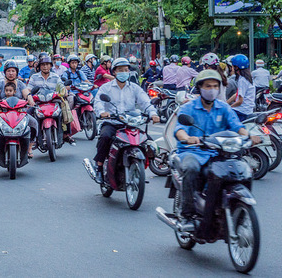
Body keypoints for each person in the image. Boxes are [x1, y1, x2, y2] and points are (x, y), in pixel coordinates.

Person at [174, 69, 258, 230]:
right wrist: (187, 138)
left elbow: (237, 126)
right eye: (208, 86)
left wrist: (249, 136)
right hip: (193, 151)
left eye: (215, 86)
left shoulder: (223, 107)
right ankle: (187, 216)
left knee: (242, 170)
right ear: (200, 88)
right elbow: (179, 129)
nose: (212, 89)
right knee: (191, 169)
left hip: (218, 153)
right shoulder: (188, 108)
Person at [93, 57, 160, 183]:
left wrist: (153, 113)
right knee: (105, 137)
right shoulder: (106, 88)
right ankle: (99, 167)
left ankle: (139, 168)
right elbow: (98, 102)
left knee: (150, 143)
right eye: (120, 70)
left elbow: (145, 102)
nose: (123, 72)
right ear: (114, 72)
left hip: (130, 123)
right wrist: (102, 112)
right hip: (112, 122)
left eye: (126, 70)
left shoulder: (134, 88)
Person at [0, 61, 37, 158]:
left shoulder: (20, 84)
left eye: (13, 71)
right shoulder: (0, 84)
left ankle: (29, 148)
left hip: (20, 113)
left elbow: (27, 94)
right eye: (9, 71)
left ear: (16, 72)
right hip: (3, 113)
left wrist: (31, 101)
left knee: (34, 123)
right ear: (5, 72)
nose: (11, 73)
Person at [28, 56, 75, 145]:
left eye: (47, 65)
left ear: (50, 66)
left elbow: (61, 87)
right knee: (28, 115)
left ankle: (66, 134)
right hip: (38, 103)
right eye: (43, 65)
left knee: (66, 111)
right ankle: (31, 138)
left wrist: (64, 91)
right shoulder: (34, 77)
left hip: (53, 101)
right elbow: (29, 90)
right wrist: (29, 97)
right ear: (39, 66)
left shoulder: (56, 77)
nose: (45, 67)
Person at [227, 54, 255, 121]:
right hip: (247, 110)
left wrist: (228, 108)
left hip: (242, 111)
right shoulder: (247, 78)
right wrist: (226, 103)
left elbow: (240, 101)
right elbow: (237, 94)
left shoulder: (242, 80)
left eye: (232, 66)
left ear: (236, 67)